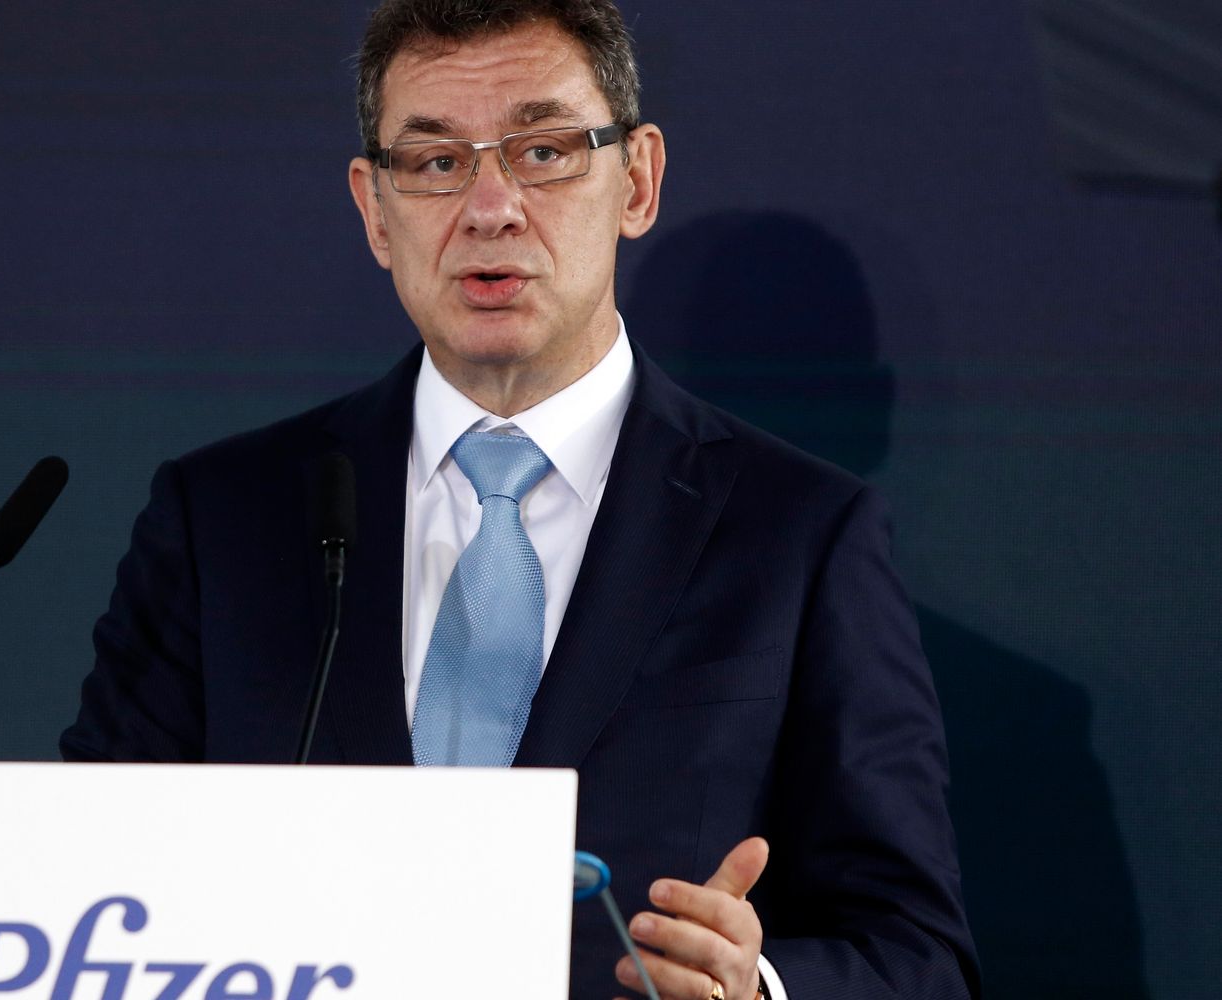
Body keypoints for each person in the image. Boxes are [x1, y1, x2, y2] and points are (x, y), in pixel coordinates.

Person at [61, 1, 979, 997]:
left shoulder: (800, 536)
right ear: (375, 211)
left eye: (542, 152)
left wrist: (753, 984)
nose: (489, 208)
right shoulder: (222, 522)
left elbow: (915, 956)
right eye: (436, 162)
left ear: (637, 180)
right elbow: (78, 888)